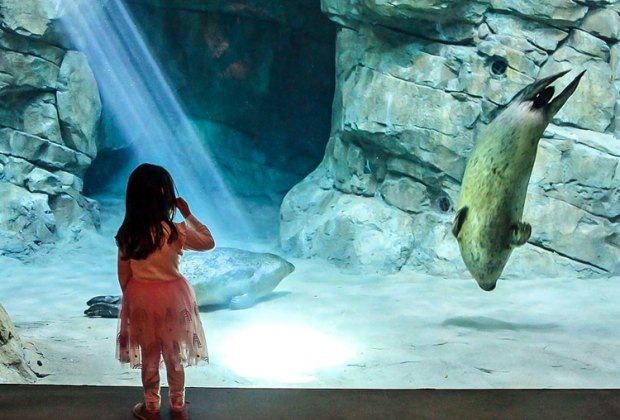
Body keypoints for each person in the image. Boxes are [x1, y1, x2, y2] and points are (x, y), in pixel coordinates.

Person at [115, 163, 215, 420]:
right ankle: (178, 406)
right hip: (173, 298)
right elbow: (208, 242)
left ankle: (151, 407)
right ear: (164, 194)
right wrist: (188, 215)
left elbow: (124, 275)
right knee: (174, 356)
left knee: (149, 356)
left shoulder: (127, 234)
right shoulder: (175, 232)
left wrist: (134, 298)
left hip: (141, 299)